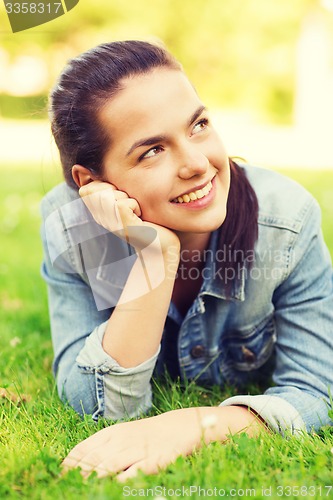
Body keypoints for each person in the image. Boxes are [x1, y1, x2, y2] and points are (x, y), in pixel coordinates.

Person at [41, 40, 333, 480]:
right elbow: (91, 404)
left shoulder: (287, 221)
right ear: (93, 182)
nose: (197, 163)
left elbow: (317, 392)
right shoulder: (72, 230)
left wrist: (195, 425)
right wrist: (154, 259)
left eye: (198, 125)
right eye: (152, 150)